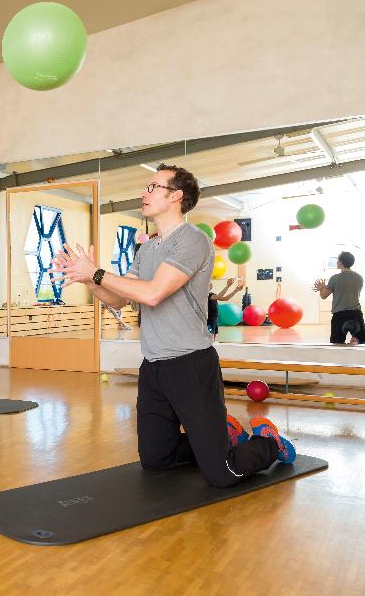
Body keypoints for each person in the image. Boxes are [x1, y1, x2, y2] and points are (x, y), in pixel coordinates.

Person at [51, 163, 295, 489]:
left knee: (222, 473)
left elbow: (152, 294)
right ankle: (223, 437)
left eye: (152, 187)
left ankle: (268, 442)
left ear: (176, 196)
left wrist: (96, 273)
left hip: (190, 364)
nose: (144, 192)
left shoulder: (192, 241)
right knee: (156, 460)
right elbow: (120, 299)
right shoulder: (148, 247)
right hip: (153, 367)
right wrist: (88, 279)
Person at [314, 251, 365, 345]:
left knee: (337, 345)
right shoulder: (360, 278)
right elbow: (347, 289)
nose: (337, 262)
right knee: (361, 343)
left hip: (340, 317)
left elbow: (324, 296)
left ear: (341, 262)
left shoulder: (334, 278)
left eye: (338, 260)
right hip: (356, 315)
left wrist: (321, 288)